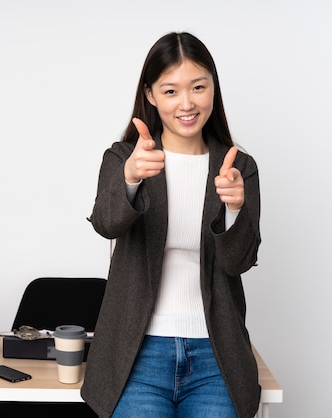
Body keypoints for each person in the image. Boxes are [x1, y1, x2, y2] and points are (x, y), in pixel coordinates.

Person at [81, 32, 262, 418]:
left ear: (213, 87)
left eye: (198, 87)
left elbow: (238, 262)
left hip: (217, 356)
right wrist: (130, 179)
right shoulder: (125, 157)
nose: (187, 103)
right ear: (150, 95)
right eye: (170, 91)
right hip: (137, 355)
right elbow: (106, 224)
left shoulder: (238, 168)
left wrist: (234, 210)